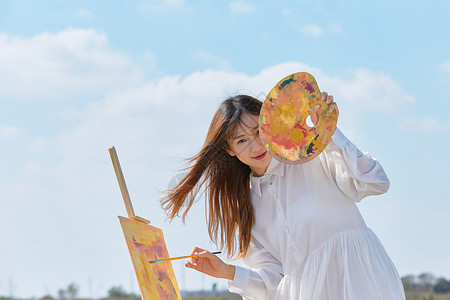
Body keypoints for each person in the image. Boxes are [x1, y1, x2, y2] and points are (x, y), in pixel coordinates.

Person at [161, 93, 405, 299]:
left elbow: (374, 182)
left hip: (362, 284)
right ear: (229, 150)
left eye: (259, 132)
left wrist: (328, 134)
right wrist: (228, 272)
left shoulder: (310, 156)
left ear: (270, 124)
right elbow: (274, 282)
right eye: (242, 140)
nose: (256, 146)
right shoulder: (247, 206)